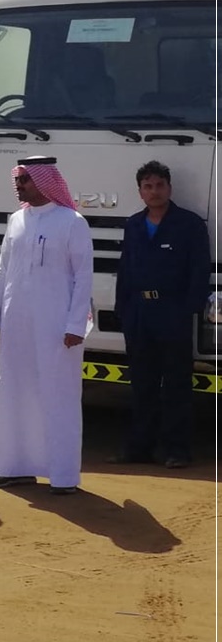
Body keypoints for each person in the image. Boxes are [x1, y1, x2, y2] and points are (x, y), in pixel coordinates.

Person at [0, 156, 93, 495]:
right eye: (17, 179)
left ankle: (62, 475)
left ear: (45, 181)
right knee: (13, 392)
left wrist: (76, 324)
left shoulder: (72, 222)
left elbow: (83, 276)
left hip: (56, 327)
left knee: (57, 395)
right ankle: (10, 467)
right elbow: (2, 270)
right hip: (15, 323)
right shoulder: (16, 220)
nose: (18, 185)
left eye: (25, 179)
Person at [111, 161, 210, 469]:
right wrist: (124, 310)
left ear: (169, 188)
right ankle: (139, 448)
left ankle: (176, 450)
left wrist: (188, 309)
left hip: (172, 312)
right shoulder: (133, 224)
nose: (154, 191)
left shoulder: (189, 224)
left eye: (159, 185)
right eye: (148, 186)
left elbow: (200, 270)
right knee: (142, 384)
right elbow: (125, 269)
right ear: (140, 192)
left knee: (177, 385)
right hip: (139, 314)